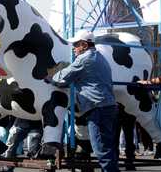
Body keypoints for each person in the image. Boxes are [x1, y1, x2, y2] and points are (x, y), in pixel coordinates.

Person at [47, 30, 119, 172]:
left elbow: (62, 77)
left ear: (84, 45)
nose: (73, 48)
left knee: (101, 150)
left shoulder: (84, 59)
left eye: (76, 45)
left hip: (96, 107)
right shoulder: (100, 57)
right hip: (109, 105)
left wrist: (51, 75)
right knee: (108, 147)